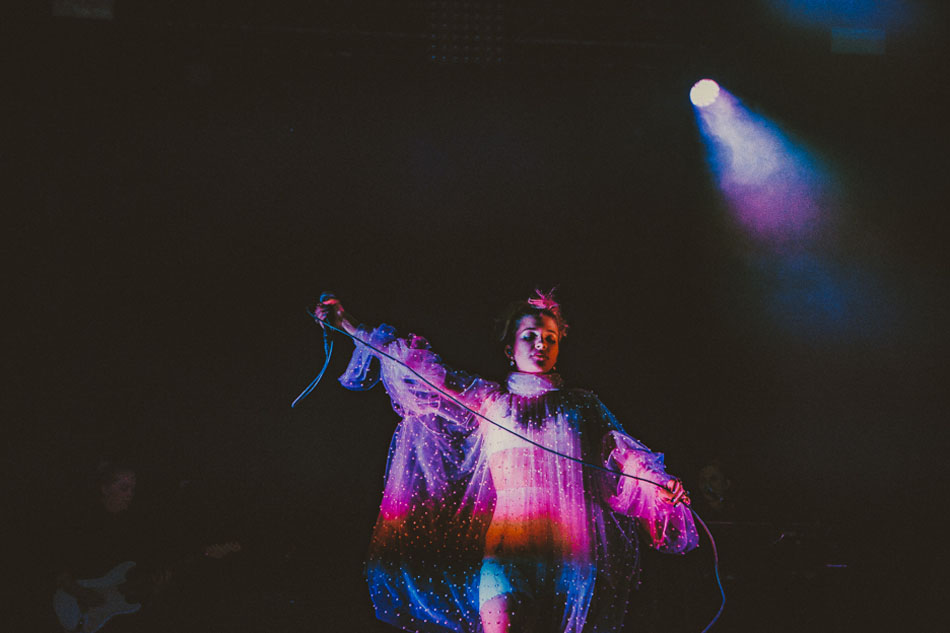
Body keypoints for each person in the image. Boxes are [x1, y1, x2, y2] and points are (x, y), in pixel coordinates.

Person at [315, 291, 698, 633]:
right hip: (507, 551)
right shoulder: (489, 401)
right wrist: (347, 323)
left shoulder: (582, 405)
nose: (540, 344)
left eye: (550, 338)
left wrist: (659, 484)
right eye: (530, 336)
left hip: (570, 559)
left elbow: (623, 454)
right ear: (509, 348)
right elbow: (419, 369)